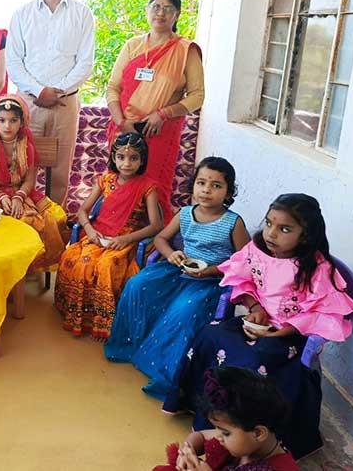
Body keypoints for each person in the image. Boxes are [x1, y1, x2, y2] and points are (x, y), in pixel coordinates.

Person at [162, 194, 353, 459]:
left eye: (284, 229)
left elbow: (323, 311)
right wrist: (255, 308)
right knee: (210, 334)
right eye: (268, 223)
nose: (271, 233)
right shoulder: (257, 251)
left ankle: (246, 432)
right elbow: (242, 281)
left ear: (305, 235)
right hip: (256, 321)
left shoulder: (316, 268)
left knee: (256, 358)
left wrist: (285, 329)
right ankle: (202, 409)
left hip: (291, 334)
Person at [106, 157, 250, 400]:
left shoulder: (232, 222)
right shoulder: (185, 214)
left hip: (211, 280)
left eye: (216, 185)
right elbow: (161, 238)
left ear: (228, 192)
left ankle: (164, 370)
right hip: (180, 271)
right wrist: (171, 254)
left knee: (184, 309)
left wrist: (211, 270)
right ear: (193, 185)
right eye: (201, 183)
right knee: (137, 285)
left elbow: (245, 261)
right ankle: (131, 346)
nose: (206, 190)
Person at [6, 0, 94, 206]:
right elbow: (14, 62)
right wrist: (39, 91)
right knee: (21, 168)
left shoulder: (82, 14)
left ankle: (54, 224)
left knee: (59, 174)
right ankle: (23, 223)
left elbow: (85, 62)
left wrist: (58, 92)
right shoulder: (22, 15)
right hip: (29, 104)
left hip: (65, 104)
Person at [53, 132, 164, 339]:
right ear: (113, 157)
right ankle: (76, 314)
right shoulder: (105, 180)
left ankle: (102, 321)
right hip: (97, 233)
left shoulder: (148, 187)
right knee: (76, 260)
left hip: (126, 239)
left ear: (142, 160)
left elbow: (156, 225)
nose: (126, 163)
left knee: (106, 266)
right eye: (121, 157)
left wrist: (126, 239)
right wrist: (89, 229)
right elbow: (82, 211)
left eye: (133, 158)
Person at [106, 0, 204, 214]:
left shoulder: (185, 50)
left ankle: (153, 233)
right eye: (156, 7)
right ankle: (113, 228)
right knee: (118, 185)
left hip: (159, 132)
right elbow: (113, 88)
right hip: (124, 130)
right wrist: (121, 121)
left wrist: (163, 114)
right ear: (147, 10)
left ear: (177, 15)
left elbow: (197, 96)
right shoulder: (132, 45)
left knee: (154, 189)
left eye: (168, 8)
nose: (161, 13)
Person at [0, 94, 66, 272]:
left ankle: (23, 268)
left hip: (21, 192)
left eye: (13, 120)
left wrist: (18, 198)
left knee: (40, 220)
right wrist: (2, 197)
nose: (7, 126)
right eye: (2, 120)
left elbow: (29, 181)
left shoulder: (27, 146)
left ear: (22, 122)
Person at [154, 367, 298, 471]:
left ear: (258, 433)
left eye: (225, 433)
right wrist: (187, 450)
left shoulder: (281, 468)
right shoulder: (246, 443)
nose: (218, 437)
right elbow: (201, 435)